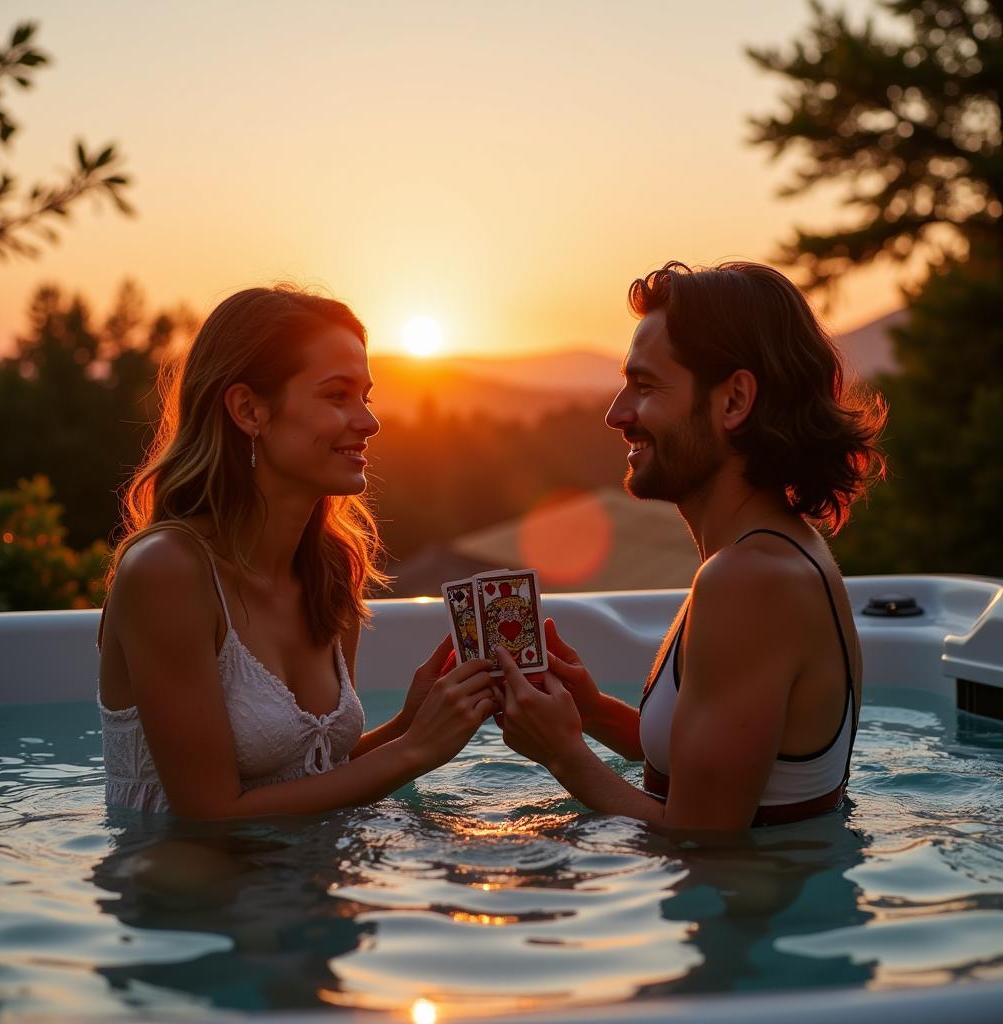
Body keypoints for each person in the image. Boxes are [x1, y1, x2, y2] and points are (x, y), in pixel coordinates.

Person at [497, 261, 887, 830]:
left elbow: (706, 839)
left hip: (753, 912)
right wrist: (593, 713)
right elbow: (718, 759)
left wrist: (562, 754)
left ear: (734, 401)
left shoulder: (750, 580)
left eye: (646, 385)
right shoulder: (762, 555)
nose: (617, 414)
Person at [97, 286, 495, 819]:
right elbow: (210, 815)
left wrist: (409, 724)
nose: (369, 422)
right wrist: (416, 750)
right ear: (248, 409)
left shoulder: (329, 569)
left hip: (305, 881)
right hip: (189, 891)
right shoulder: (167, 572)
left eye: (366, 397)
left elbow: (319, 774)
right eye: (336, 396)